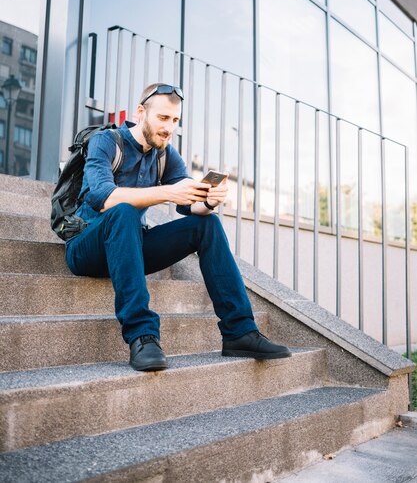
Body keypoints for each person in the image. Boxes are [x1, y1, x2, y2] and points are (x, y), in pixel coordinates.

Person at [65, 83, 291, 371]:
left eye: (175, 121)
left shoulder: (165, 155)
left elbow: (189, 206)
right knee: (123, 211)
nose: (169, 128)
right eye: (162, 118)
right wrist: (168, 193)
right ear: (140, 112)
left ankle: (239, 332)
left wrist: (208, 201)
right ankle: (142, 335)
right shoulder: (107, 142)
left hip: (131, 247)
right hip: (87, 248)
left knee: (206, 224)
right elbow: (103, 197)